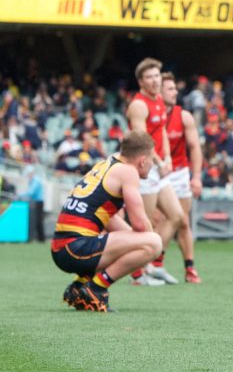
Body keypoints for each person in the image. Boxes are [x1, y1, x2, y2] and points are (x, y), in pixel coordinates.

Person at [51, 132, 163, 312]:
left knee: (143, 241)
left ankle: (80, 285)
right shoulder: (128, 172)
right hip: (76, 248)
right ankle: (95, 288)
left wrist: (135, 242)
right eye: (153, 160)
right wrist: (148, 246)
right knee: (154, 243)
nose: (153, 165)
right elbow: (140, 225)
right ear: (143, 160)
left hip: (62, 249)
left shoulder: (108, 163)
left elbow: (108, 219)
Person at [125, 58, 185, 285]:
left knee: (176, 216)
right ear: (141, 82)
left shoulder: (159, 99)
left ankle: (154, 264)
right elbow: (142, 141)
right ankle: (137, 273)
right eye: (149, 77)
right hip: (144, 168)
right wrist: (160, 163)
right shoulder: (139, 105)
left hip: (158, 167)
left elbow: (161, 133)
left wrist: (167, 158)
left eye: (157, 75)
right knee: (144, 224)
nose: (155, 80)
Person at [161, 73, 204, 284]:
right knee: (157, 220)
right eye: (170, 89)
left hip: (179, 173)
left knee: (183, 221)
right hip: (157, 172)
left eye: (175, 88)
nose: (175, 92)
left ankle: (190, 268)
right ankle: (153, 265)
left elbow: (195, 147)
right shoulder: (149, 115)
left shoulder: (184, 116)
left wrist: (196, 177)